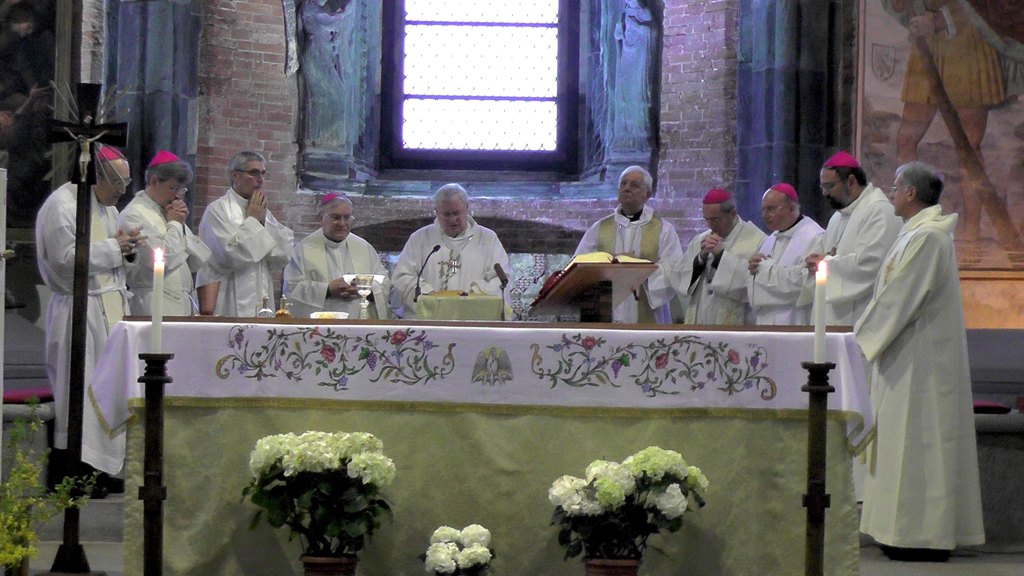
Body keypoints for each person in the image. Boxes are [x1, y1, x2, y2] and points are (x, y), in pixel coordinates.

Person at [854, 161, 984, 561]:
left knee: (918, 443)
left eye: (896, 187)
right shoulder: (914, 234)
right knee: (900, 444)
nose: (891, 192)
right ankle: (899, 531)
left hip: (921, 364)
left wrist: (857, 339)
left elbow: (900, 298)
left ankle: (920, 536)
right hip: (904, 357)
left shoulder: (927, 238)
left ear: (911, 193)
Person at [36, 144, 142, 477]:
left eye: (127, 184)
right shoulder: (61, 206)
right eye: (118, 184)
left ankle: (102, 470)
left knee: (105, 390)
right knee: (78, 392)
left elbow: (113, 254)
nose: (122, 192)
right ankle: (73, 471)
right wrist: (115, 248)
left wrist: (127, 249)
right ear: (96, 175)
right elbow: (65, 261)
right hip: (79, 311)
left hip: (108, 311)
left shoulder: (107, 207)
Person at [803, 151, 902, 326]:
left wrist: (826, 263)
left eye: (830, 186)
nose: (824, 193)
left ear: (851, 182)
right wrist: (815, 262)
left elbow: (872, 266)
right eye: (822, 187)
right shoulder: (837, 217)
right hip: (831, 315)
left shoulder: (879, 211)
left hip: (860, 315)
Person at [574, 165, 683, 323]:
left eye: (634, 185)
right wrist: (612, 263)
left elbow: (674, 270)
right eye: (623, 184)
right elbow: (579, 266)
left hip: (646, 310)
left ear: (648, 194)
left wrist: (638, 269)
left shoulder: (663, 229)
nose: (627, 188)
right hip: (606, 309)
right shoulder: (599, 228)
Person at [197, 150, 294, 316]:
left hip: (260, 295)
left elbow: (282, 256)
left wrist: (262, 221)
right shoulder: (217, 210)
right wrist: (254, 222)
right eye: (254, 173)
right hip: (227, 296)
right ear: (235, 176)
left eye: (263, 174)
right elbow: (230, 256)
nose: (260, 180)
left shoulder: (262, 211)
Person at [392, 183, 509, 319]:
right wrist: (430, 295)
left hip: (473, 319)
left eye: (456, 213)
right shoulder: (419, 239)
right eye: (446, 214)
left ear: (467, 207)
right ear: (436, 211)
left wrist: (473, 295)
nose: (453, 219)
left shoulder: (488, 239)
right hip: (430, 319)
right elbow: (402, 277)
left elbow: (501, 279)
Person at [119, 150, 210, 316]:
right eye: (174, 188)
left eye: (182, 189)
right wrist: (175, 223)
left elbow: (196, 260)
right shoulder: (134, 214)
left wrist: (178, 223)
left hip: (182, 304)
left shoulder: (166, 211)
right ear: (154, 181)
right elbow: (164, 259)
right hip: (153, 305)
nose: (177, 195)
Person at [283, 193, 390, 319]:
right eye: (336, 217)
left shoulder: (364, 248)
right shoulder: (303, 249)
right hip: (320, 328)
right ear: (320, 218)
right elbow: (291, 290)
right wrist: (327, 290)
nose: (342, 223)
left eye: (347, 217)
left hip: (360, 326)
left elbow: (384, 283)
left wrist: (365, 289)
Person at [671, 188, 765, 325]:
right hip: (701, 317)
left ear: (732, 214)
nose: (710, 225)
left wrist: (720, 256)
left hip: (737, 322)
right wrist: (701, 258)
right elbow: (681, 279)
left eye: (715, 219)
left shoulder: (757, 239)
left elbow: (754, 285)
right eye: (706, 219)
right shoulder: (700, 240)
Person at [747, 183, 824, 325]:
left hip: (796, 319)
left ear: (791, 208)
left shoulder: (815, 237)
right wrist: (753, 270)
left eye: (771, 209)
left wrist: (765, 268)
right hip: (766, 321)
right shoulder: (769, 240)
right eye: (763, 210)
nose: (765, 215)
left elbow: (807, 282)